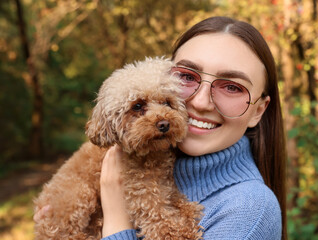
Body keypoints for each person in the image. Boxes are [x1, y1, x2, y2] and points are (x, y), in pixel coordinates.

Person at [35, 16, 287, 240]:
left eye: (232, 87)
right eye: (187, 77)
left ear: (258, 110)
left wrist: (115, 221)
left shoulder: (250, 213)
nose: (200, 102)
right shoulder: (151, 160)